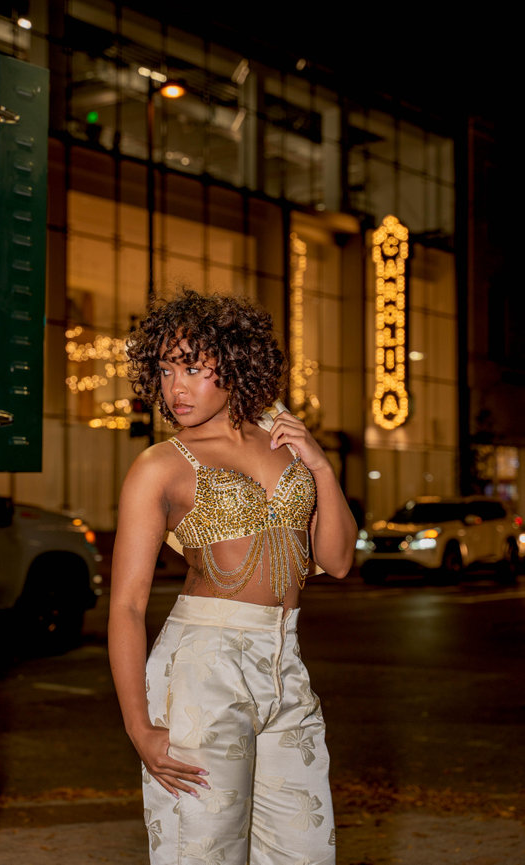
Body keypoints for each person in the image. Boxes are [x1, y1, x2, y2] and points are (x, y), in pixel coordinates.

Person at [108, 290, 357, 865]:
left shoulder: (286, 446)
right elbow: (125, 605)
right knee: (202, 850)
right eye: (166, 370)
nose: (176, 387)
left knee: (304, 849)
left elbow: (339, 561)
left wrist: (319, 465)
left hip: (284, 660)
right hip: (202, 666)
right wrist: (139, 728)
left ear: (236, 362)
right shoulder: (161, 464)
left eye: (193, 368)